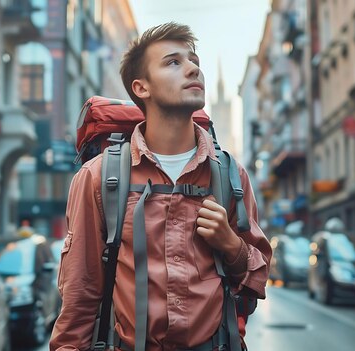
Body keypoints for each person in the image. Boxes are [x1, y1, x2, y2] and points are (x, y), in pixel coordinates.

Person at [50, 22, 272, 350]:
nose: (193, 68)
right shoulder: (99, 176)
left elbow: (258, 278)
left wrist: (231, 245)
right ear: (142, 88)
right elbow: (80, 295)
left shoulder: (229, 175)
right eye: (173, 62)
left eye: (194, 60)